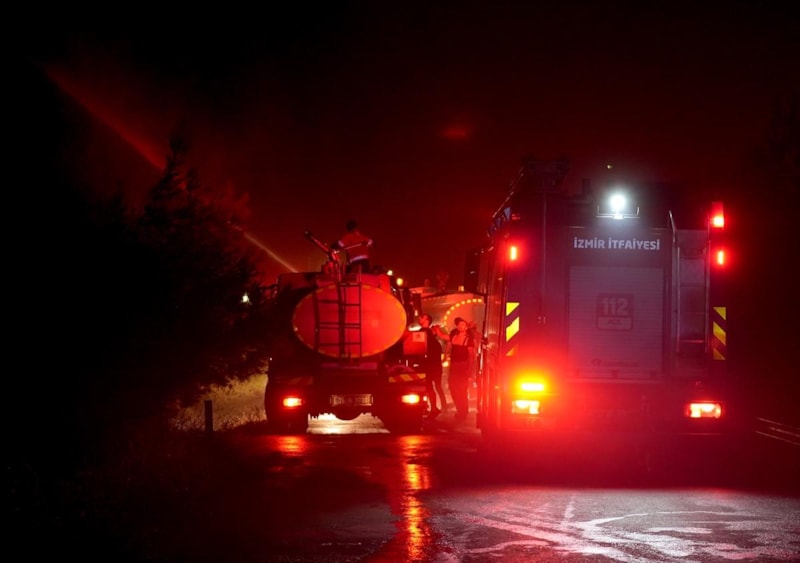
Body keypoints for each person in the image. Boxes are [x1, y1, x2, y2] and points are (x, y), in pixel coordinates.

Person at [442, 317, 476, 423]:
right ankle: (459, 409)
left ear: (466, 328)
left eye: (463, 324)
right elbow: (448, 346)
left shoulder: (469, 339)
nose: (460, 326)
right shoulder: (454, 336)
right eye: (459, 324)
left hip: (463, 366)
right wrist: (445, 357)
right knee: (453, 388)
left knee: (461, 390)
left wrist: (470, 369)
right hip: (453, 366)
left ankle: (463, 411)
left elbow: (471, 356)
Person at [417, 313, 446, 419]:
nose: (419, 318)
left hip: (430, 364)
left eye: (422, 317)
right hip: (435, 364)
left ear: (427, 320)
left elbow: (418, 348)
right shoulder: (430, 333)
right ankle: (441, 407)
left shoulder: (423, 333)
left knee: (429, 386)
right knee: (436, 386)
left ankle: (434, 408)